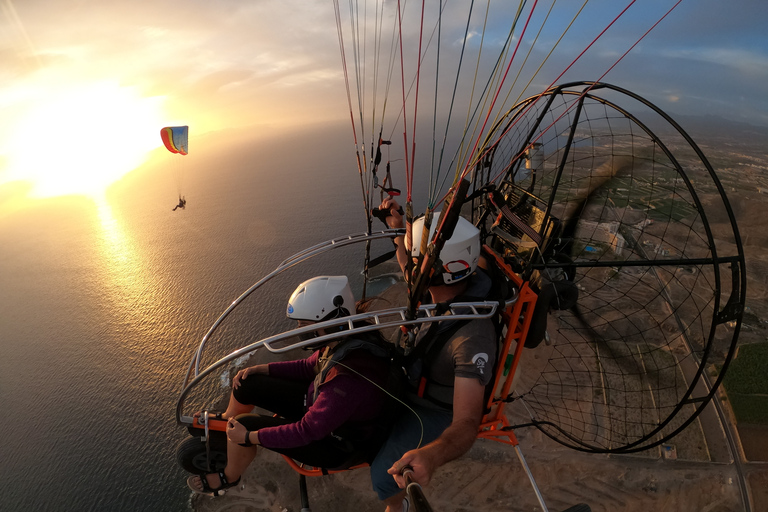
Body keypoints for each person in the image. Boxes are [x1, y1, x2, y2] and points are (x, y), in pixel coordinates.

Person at [187, 275, 392, 496]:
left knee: (246, 424)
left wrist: (248, 437)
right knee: (248, 384)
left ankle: (228, 477)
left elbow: (306, 431)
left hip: (337, 444)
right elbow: (308, 367)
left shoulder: (346, 379)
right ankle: (228, 428)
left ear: (332, 321)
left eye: (305, 325)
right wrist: (262, 369)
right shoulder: (341, 340)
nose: (300, 331)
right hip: (322, 410)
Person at [371, 197, 498, 512]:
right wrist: (399, 229)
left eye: (419, 262)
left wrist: (433, 454)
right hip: (413, 380)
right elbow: (407, 262)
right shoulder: (444, 287)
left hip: (434, 409)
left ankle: (394, 506)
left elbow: (468, 421)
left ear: (435, 270)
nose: (411, 268)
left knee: (383, 476)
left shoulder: (471, 338)